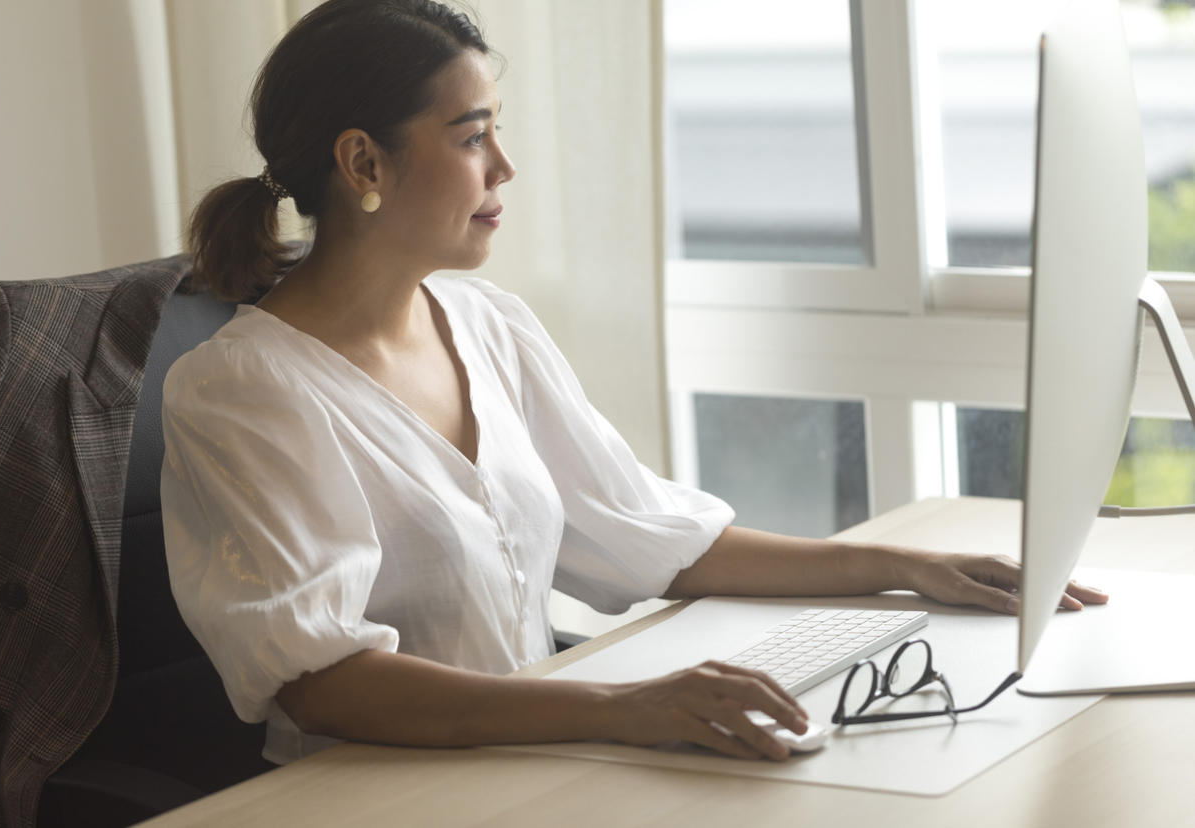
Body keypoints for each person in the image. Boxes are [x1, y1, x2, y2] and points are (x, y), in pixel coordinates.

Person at [160, 0, 1106, 768]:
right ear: (364, 161)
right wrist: (622, 706)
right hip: (377, 794)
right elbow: (326, 681)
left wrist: (902, 570)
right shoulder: (243, 391)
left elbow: (658, 539)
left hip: (538, 760)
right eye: (472, 137)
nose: (505, 167)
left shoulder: (490, 327)